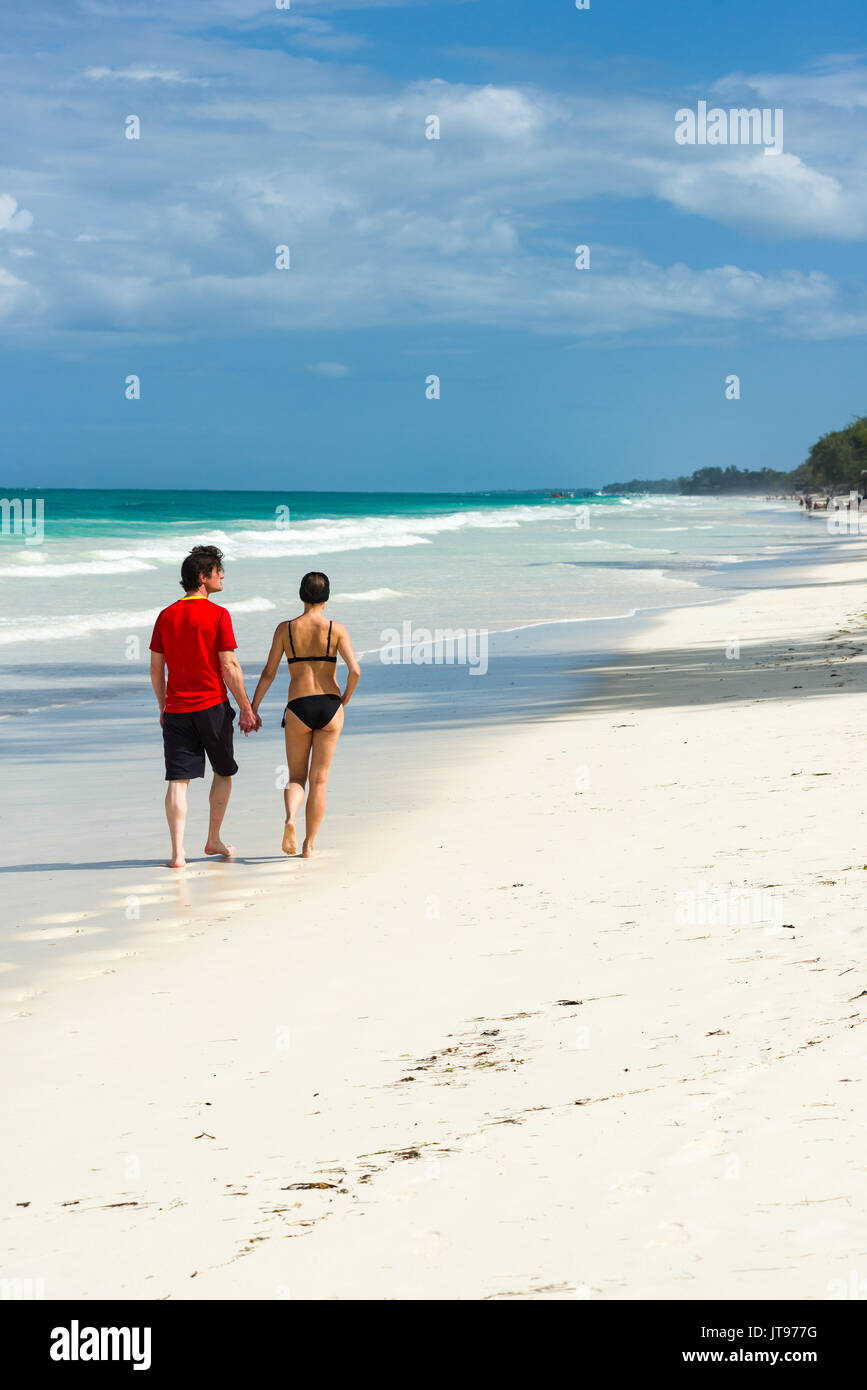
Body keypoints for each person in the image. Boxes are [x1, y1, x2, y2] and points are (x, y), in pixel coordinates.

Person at [149, 544, 260, 869]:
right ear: (203, 577)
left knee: (177, 780)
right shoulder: (218, 615)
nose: (222, 575)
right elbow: (229, 666)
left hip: (177, 711)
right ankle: (213, 837)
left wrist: (162, 707)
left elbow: (157, 669)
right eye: (217, 571)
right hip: (212, 707)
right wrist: (246, 708)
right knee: (223, 770)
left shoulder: (166, 615)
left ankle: (177, 854)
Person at [251, 571, 360, 858]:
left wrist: (253, 708)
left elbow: (268, 672)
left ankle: (290, 818)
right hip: (329, 706)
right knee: (320, 780)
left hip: (298, 706)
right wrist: (344, 698)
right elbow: (355, 670)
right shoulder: (336, 629)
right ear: (327, 596)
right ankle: (309, 845)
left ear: (301, 594)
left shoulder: (284, 629)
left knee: (297, 777)